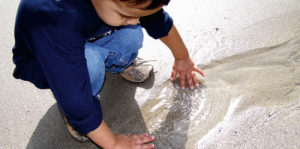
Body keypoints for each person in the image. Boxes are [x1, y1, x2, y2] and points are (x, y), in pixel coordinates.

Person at [12, 0, 205, 148]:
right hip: (51, 60)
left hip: (88, 33)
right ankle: (75, 114)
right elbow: (75, 101)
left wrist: (182, 57)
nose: (135, 20)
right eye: (124, 14)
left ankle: (117, 64)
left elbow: (156, 19)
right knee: (90, 64)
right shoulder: (55, 16)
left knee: (132, 32)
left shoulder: (124, 4)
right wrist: (113, 143)